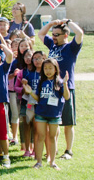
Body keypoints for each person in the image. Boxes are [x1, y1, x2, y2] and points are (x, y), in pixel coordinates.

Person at [37, 19, 83, 160]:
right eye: (53, 34)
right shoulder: (52, 45)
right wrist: (50, 25)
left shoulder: (71, 47)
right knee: (53, 121)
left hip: (66, 88)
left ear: (65, 36)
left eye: (57, 34)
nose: (53, 37)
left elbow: (80, 33)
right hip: (51, 90)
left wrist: (68, 21)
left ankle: (68, 151)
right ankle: (53, 150)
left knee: (68, 122)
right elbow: (40, 35)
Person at [23, 58, 70, 170]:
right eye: (45, 68)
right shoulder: (42, 82)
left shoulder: (59, 82)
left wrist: (65, 83)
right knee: (40, 137)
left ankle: (52, 162)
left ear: (55, 69)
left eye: (50, 68)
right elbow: (38, 98)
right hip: (41, 113)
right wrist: (30, 92)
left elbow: (67, 96)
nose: (47, 71)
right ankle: (39, 162)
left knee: (52, 137)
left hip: (54, 114)